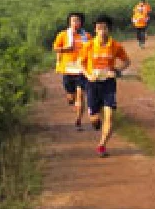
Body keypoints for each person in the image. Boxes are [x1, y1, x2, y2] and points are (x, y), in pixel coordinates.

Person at [81, 15, 131, 157]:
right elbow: (81, 63)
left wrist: (117, 71)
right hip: (92, 84)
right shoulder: (89, 45)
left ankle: (102, 145)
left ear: (109, 29)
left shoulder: (115, 46)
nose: (102, 31)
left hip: (108, 84)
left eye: (104, 28)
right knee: (94, 118)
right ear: (95, 29)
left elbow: (127, 61)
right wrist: (88, 74)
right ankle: (95, 119)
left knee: (109, 117)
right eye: (99, 28)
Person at [52, 12, 90, 129]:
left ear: (81, 23)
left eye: (77, 21)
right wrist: (65, 49)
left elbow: (92, 50)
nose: (75, 23)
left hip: (81, 71)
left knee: (80, 96)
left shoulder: (87, 36)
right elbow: (56, 49)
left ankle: (78, 120)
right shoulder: (63, 35)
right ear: (69, 22)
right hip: (68, 70)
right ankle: (71, 99)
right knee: (71, 97)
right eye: (73, 20)